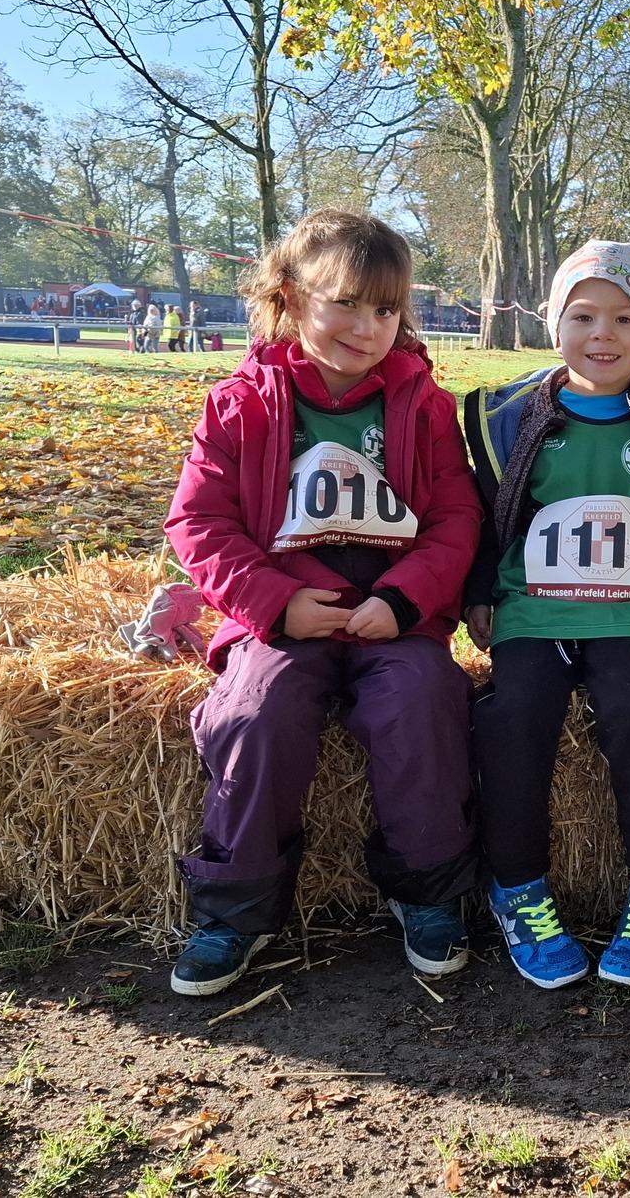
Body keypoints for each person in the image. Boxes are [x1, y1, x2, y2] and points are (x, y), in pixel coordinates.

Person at [162, 208, 483, 997]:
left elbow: (454, 517)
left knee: (423, 699)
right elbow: (199, 522)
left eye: (385, 309)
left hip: (389, 616)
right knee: (256, 711)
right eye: (345, 302)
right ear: (287, 293)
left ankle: (427, 893)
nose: (367, 326)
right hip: (281, 615)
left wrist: (404, 604)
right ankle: (237, 908)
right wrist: (275, 604)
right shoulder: (239, 402)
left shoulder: (422, 403)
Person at [463, 241, 630, 990]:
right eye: (583, 316)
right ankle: (518, 887)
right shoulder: (503, 414)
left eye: (624, 318)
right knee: (514, 716)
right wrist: (478, 592)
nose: (602, 335)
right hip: (534, 612)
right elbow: (478, 515)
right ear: (552, 323)